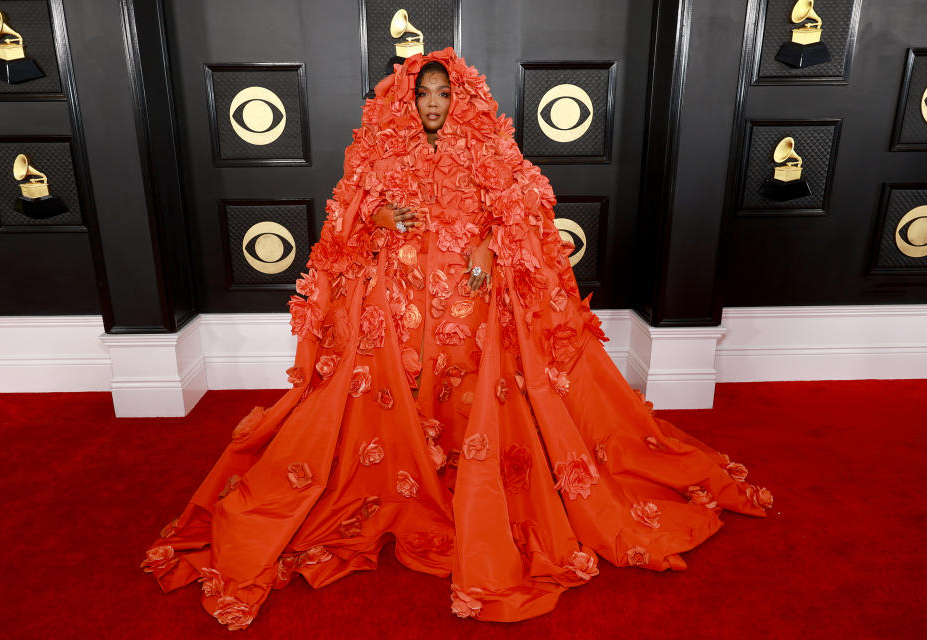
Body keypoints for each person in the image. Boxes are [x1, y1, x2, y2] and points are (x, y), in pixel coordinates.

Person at [140, 48, 772, 630]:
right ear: (406, 100)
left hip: (470, 305)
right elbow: (345, 227)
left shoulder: (491, 148)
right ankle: (408, 474)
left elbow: (522, 217)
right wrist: (381, 215)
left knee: (474, 394)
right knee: (385, 398)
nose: (433, 103)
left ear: (460, 97)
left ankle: (465, 477)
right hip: (397, 304)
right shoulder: (378, 151)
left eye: (443, 92)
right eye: (423, 94)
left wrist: (490, 247)